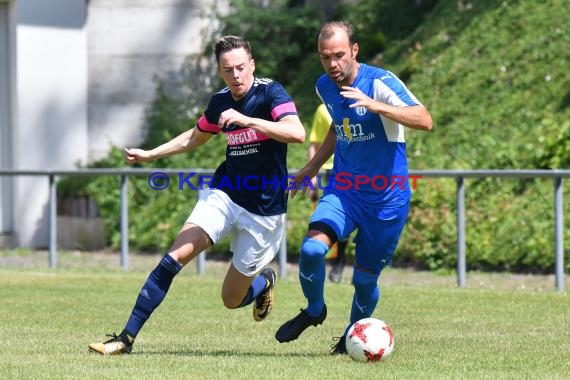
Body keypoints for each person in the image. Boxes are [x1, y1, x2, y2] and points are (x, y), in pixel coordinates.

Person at [88, 35, 305, 355]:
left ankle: (263, 282)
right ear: (220, 71)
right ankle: (125, 338)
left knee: (231, 299)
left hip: (265, 209)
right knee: (174, 257)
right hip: (225, 194)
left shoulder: (271, 93)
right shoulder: (220, 102)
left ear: (252, 65)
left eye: (241, 68)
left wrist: (248, 120)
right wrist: (151, 155)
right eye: (228, 70)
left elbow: (296, 132)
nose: (236, 76)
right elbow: (195, 136)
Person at [275, 21, 432, 354]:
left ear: (354, 50)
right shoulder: (324, 86)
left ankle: (349, 339)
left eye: (339, 55)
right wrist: (311, 167)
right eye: (325, 57)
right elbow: (338, 123)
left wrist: (377, 106)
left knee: (363, 281)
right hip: (344, 190)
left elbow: (424, 119)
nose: (332, 64)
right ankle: (315, 310)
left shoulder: (380, 82)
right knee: (312, 250)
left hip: (387, 199)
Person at [308, 103, 349, 283]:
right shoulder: (322, 109)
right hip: (327, 170)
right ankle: (324, 262)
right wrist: (312, 174)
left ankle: (340, 262)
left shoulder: (357, 104)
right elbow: (314, 143)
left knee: (347, 220)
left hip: (350, 170)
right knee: (324, 220)